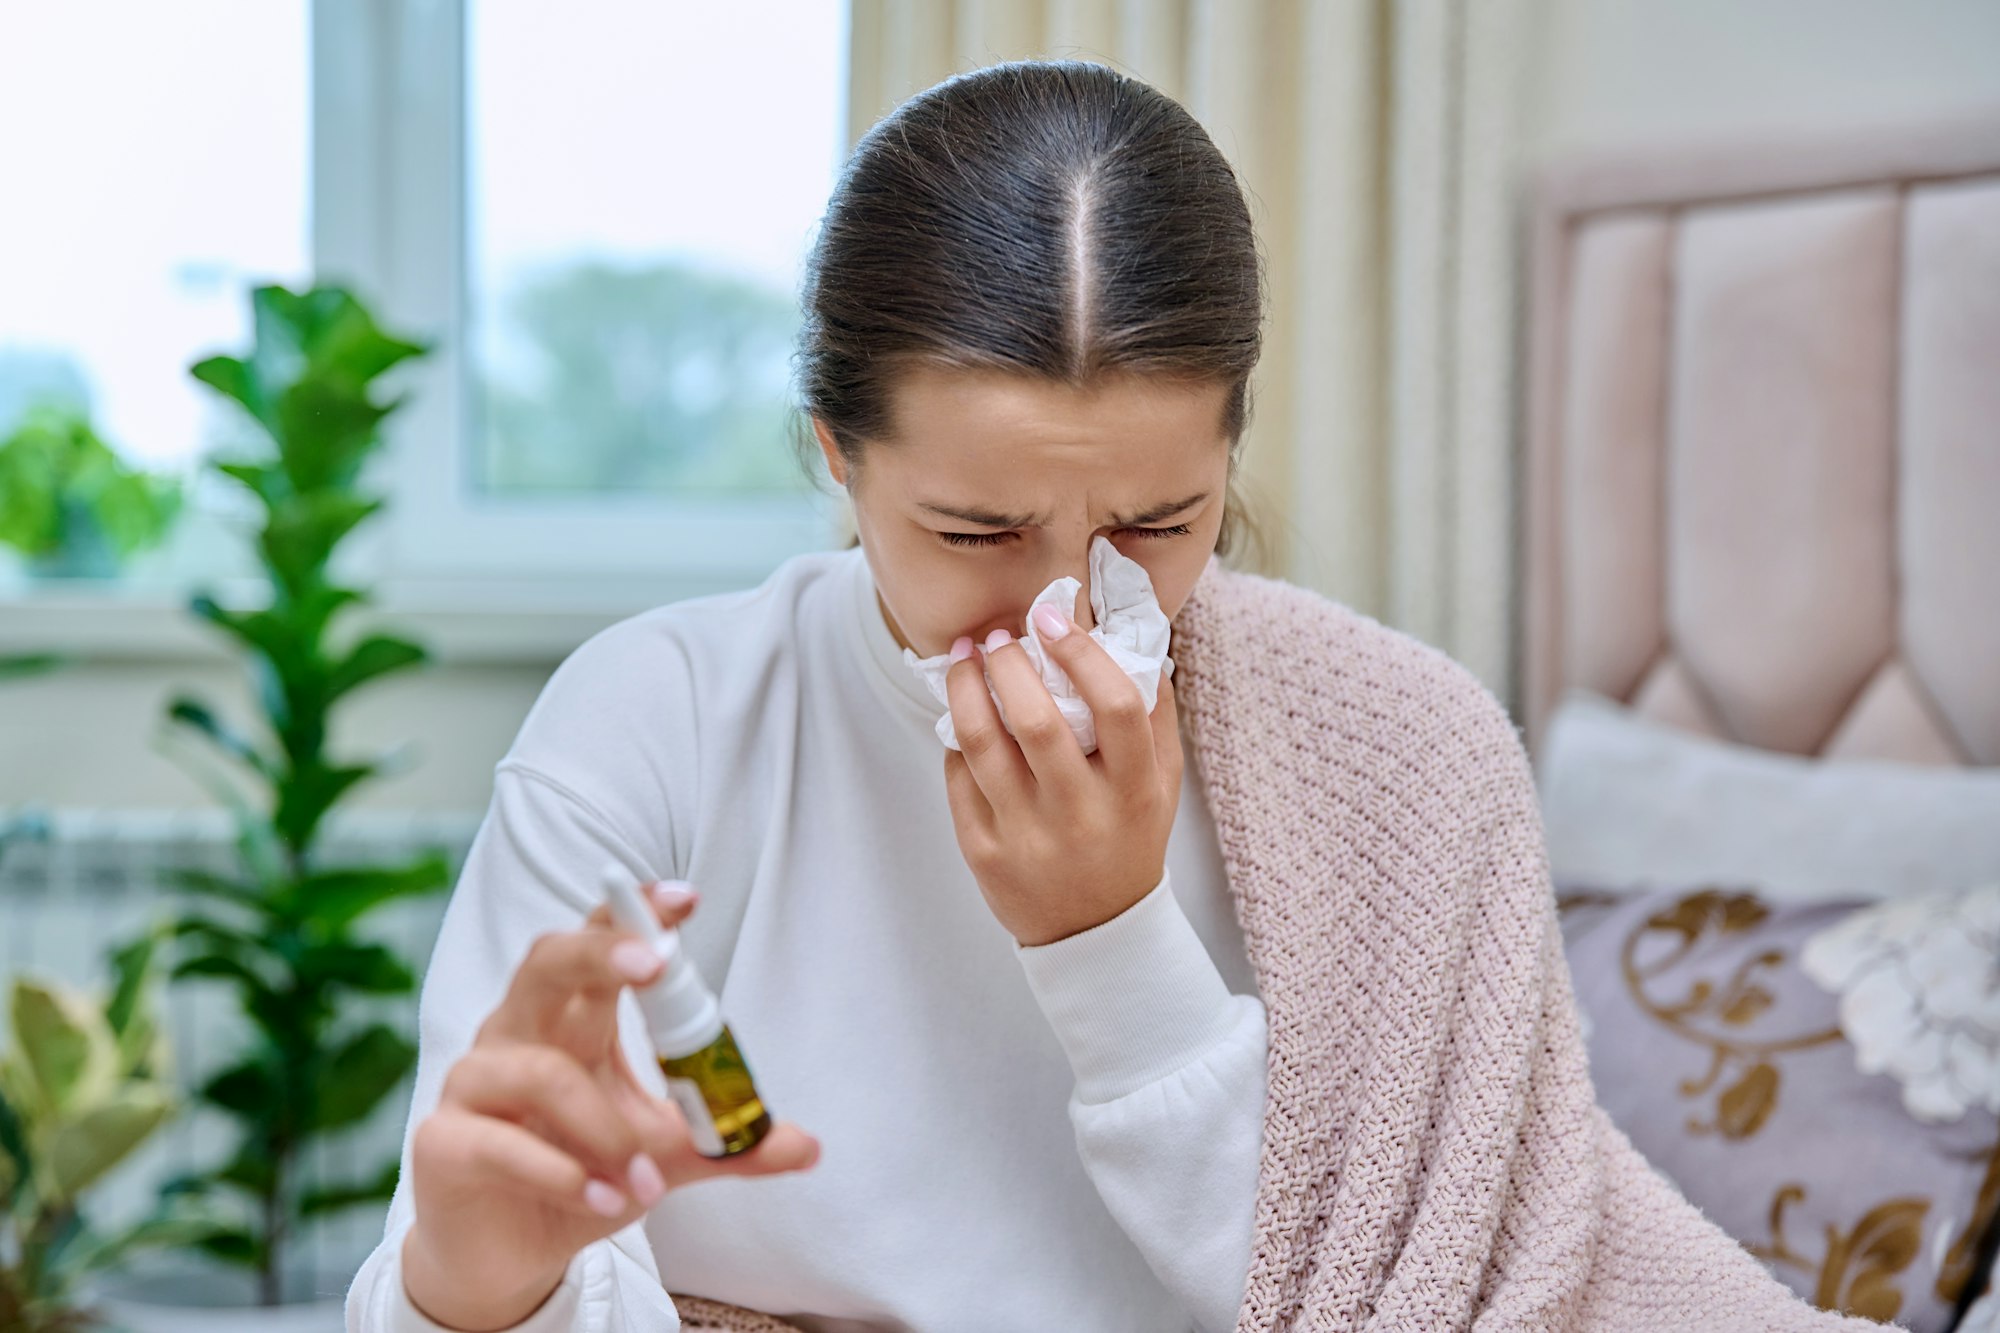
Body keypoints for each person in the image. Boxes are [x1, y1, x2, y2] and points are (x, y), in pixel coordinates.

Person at [348, 58, 1886, 1333]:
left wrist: (1108, 945)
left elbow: (1421, 1299)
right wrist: (485, 1279)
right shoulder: (659, 723)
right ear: (834, 449)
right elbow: (478, 1259)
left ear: (1231, 452)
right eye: (973, 532)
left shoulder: (1406, 760)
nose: (1072, 606)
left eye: (1158, 524)